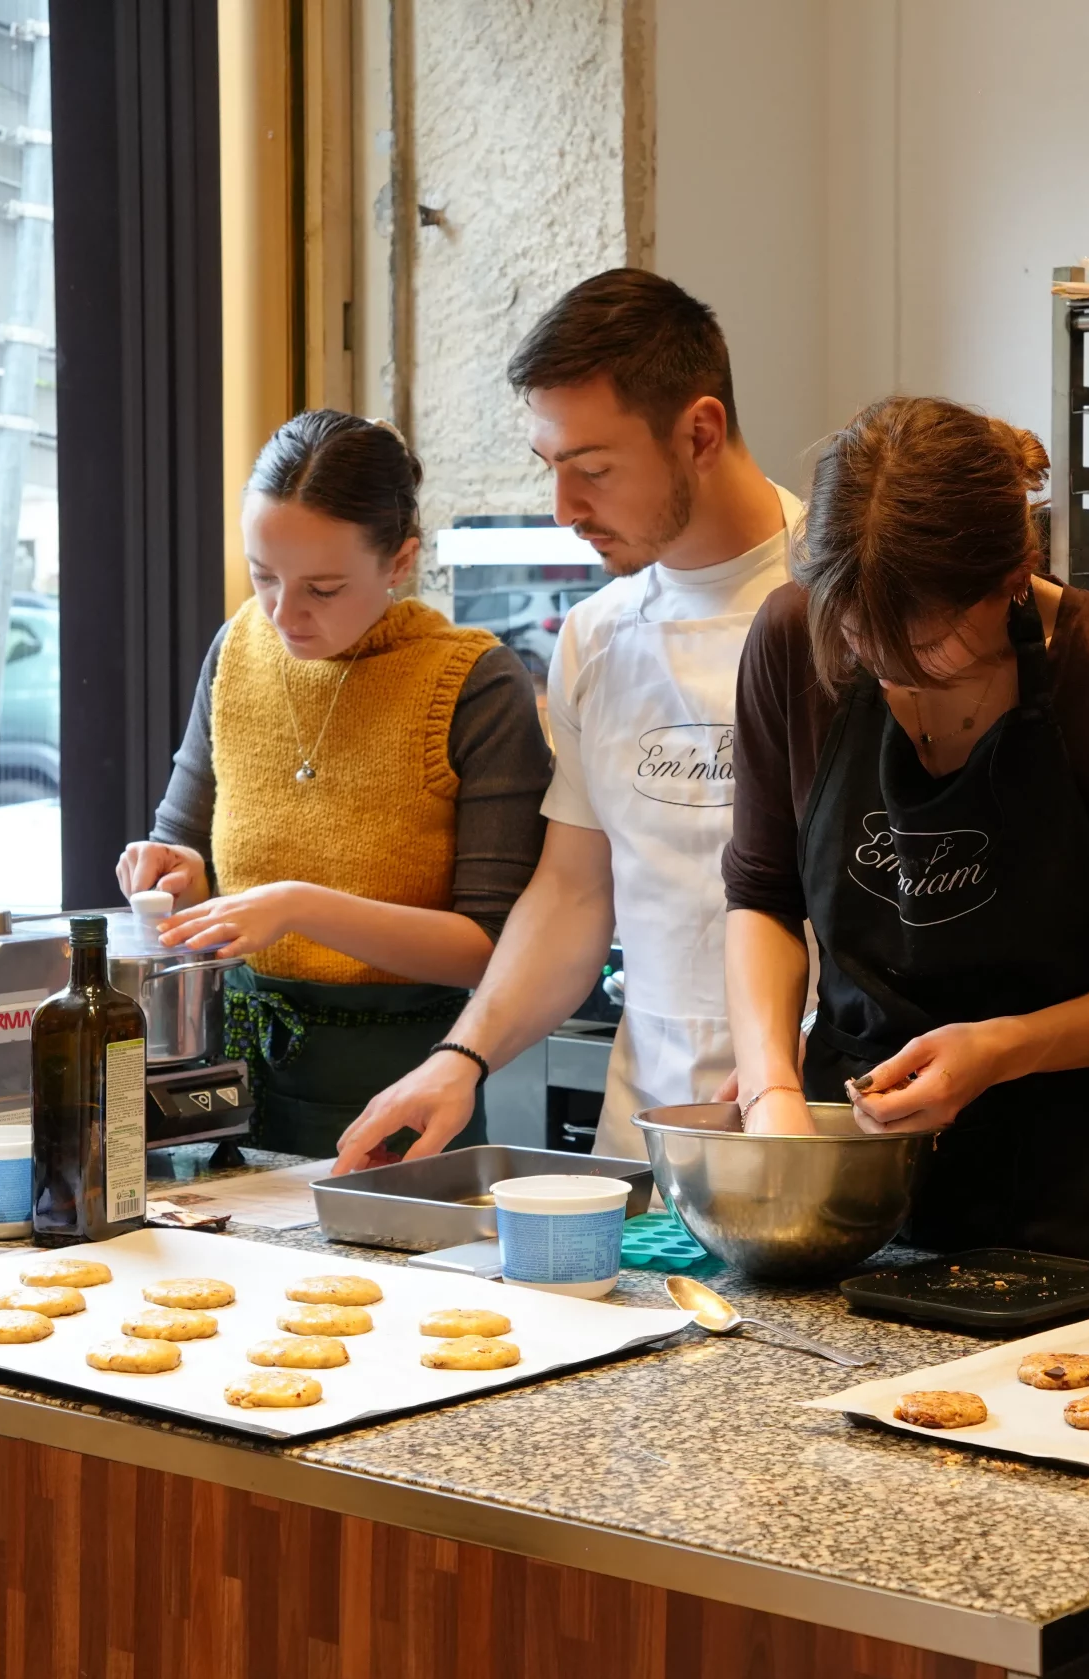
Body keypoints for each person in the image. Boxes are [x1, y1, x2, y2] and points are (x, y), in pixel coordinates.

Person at [721, 397, 1089, 1273]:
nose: (885, 668)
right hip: (844, 1164)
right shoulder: (788, 637)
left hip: (1060, 1178)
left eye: (927, 647)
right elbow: (761, 896)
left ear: (1013, 575)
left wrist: (1003, 1047)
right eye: (855, 637)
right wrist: (771, 1088)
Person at [331, 270, 803, 1170]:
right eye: (550, 468)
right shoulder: (596, 634)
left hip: (819, 1120)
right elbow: (573, 892)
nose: (564, 510)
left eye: (593, 470)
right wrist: (461, 1056)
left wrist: (786, 1080)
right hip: (648, 1137)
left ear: (701, 432)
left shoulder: (845, 607)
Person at [116, 410, 551, 1155]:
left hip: (402, 1088)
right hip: (227, 1084)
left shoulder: (473, 683)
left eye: (322, 588)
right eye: (263, 575)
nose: (284, 614)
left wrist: (299, 906)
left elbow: (491, 947)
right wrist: (175, 875)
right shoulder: (237, 650)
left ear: (400, 561)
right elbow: (183, 848)